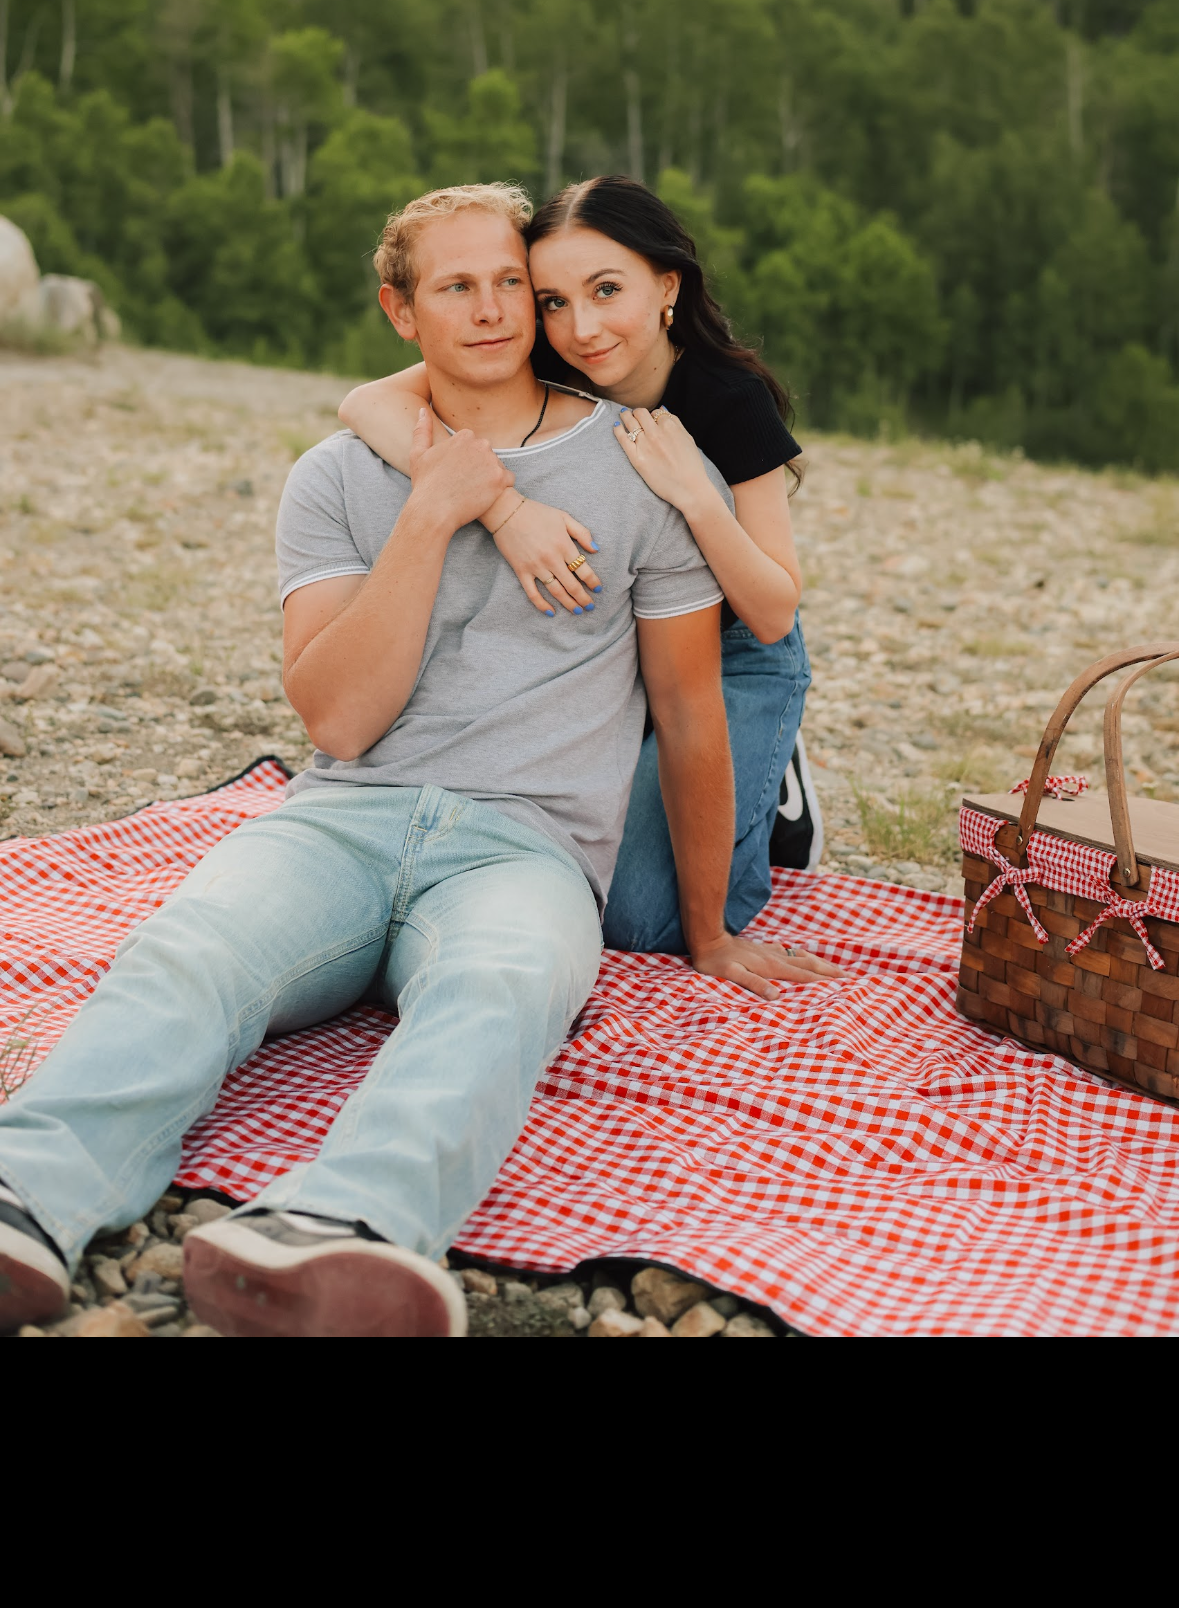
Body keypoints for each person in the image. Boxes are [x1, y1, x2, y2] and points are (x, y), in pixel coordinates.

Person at [0, 182, 833, 1341]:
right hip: (341, 818)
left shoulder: (647, 466)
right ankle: (25, 1197)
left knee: (505, 992)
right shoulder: (338, 477)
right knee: (188, 954)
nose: (496, 311)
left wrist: (710, 932)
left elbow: (692, 710)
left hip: (529, 846)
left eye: (511, 284)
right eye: (459, 287)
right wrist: (439, 512)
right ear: (403, 311)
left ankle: (350, 1228)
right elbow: (337, 722)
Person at [341, 174, 814, 955]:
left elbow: (773, 611)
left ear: (666, 286)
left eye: (605, 291)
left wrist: (694, 496)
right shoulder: (554, 373)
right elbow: (366, 404)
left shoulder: (725, 397)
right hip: (619, 650)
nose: (581, 327)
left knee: (637, 919)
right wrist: (506, 512)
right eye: (553, 300)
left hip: (737, 654)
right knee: (582, 890)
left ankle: (775, 792)